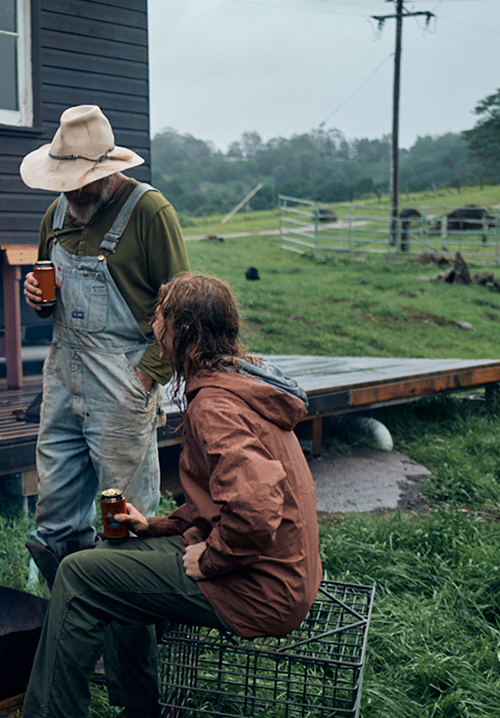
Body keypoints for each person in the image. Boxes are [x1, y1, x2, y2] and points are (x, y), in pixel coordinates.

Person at [21, 273, 322, 718]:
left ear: (183, 330)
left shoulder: (214, 406)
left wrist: (211, 558)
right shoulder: (236, 381)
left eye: (159, 316)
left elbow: (255, 510)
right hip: (280, 570)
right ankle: (140, 709)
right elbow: (227, 499)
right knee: (119, 548)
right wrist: (155, 525)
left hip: (261, 587)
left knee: (79, 576)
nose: (152, 325)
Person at [19, 104, 190, 586]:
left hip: (122, 377)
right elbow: (47, 292)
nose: (70, 191)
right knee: (54, 502)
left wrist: (145, 376)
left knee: (126, 511)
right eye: (64, 180)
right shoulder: (57, 212)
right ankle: (60, 610)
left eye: (79, 181)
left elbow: (181, 305)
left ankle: (132, 613)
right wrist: (34, 299)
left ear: (105, 172)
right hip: (62, 371)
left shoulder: (150, 213)